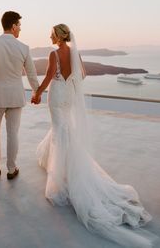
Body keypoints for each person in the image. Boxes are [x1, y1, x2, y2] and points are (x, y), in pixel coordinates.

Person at [31, 24, 154, 248]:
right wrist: (70, 83)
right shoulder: (75, 53)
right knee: (64, 129)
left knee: (60, 131)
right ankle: (65, 163)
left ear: (58, 36)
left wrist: (38, 93)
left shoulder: (53, 54)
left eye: (51, 33)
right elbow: (83, 75)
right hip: (68, 93)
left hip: (57, 95)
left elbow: (49, 75)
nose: (49, 36)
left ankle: (62, 174)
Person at [0, 11, 39, 179]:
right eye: (19, 25)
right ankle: (11, 170)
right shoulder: (24, 48)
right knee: (13, 133)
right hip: (15, 97)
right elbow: (32, 75)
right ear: (13, 27)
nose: (20, 29)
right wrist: (37, 92)